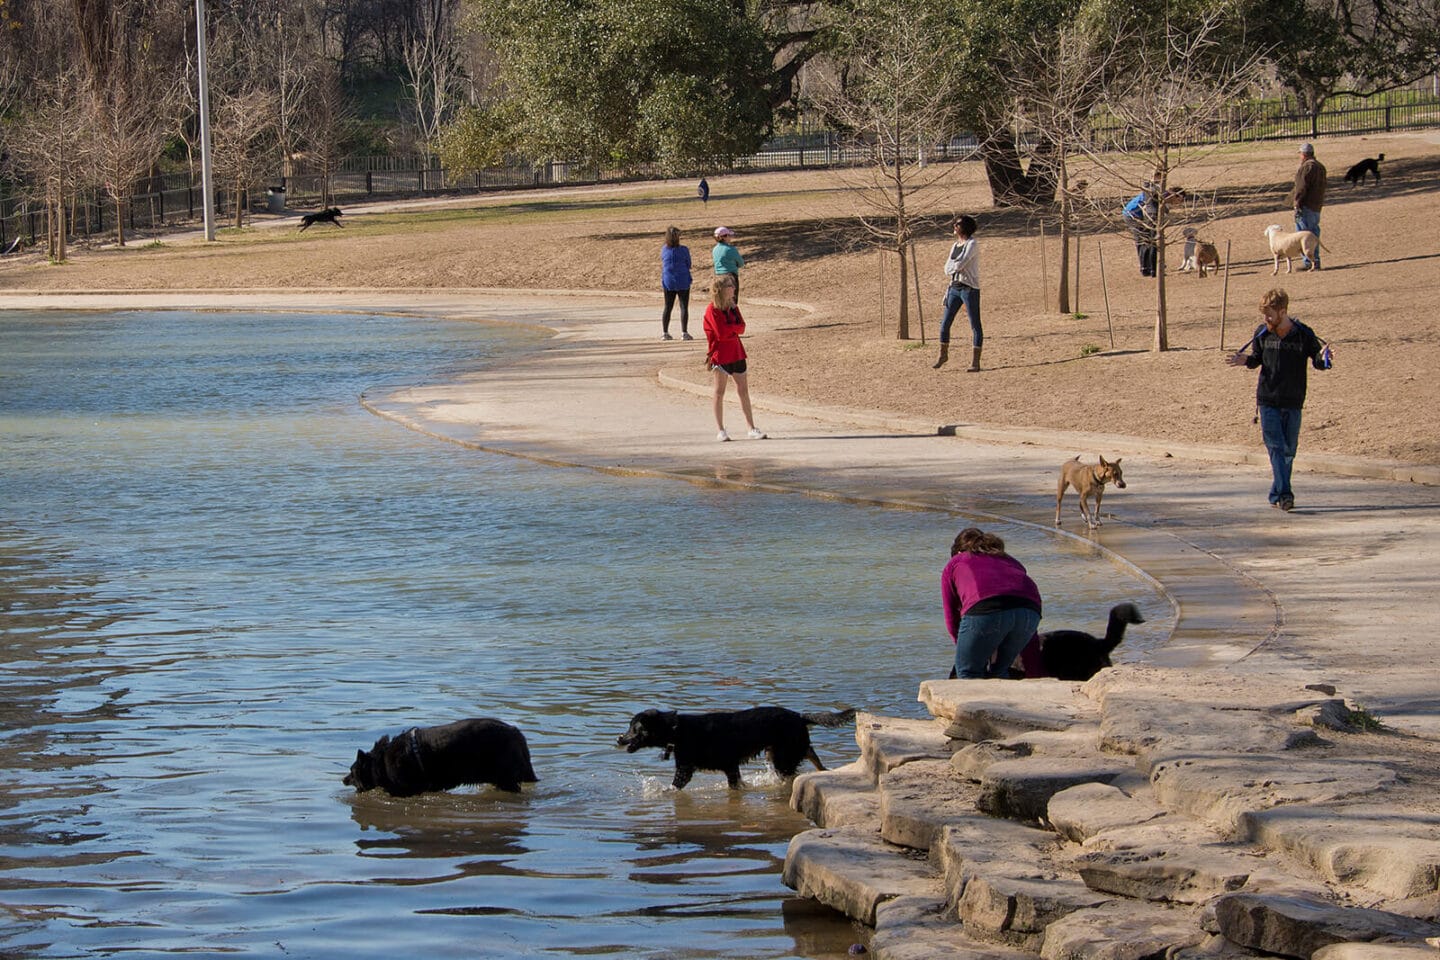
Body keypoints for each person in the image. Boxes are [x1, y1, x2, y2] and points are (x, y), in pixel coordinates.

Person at [1225, 288, 1332, 511]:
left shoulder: (1304, 334)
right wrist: (1244, 360)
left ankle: (1276, 492)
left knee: (1289, 450)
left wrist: (1324, 358)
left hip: (1293, 400)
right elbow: (1256, 360)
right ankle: (1285, 495)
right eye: (1264, 315)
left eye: (1270, 314)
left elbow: (1318, 362)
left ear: (1283, 311)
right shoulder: (1262, 332)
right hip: (1268, 399)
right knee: (1276, 447)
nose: (1266, 319)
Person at [941, 527, 1042, 680]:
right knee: (1000, 673)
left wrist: (965, 647)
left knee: (968, 673)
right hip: (1030, 612)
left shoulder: (956, 562)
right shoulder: (1011, 560)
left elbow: (951, 617)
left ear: (958, 552)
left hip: (986, 609)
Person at [703, 274, 765, 442]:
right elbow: (721, 334)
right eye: (730, 286)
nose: (734, 288)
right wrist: (733, 330)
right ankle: (721, 430)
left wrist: (732, 329)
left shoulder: (733, 307)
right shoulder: (712, 310)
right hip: (720, 355)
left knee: (743, 391)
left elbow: (742, 327)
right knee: (719, 392)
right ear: (721, 290)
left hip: (737, 352)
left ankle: (751, 428)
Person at [933, 215, 981, 371]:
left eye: (958, 224)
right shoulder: (955, 245)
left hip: (969, 288)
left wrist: (953, 267)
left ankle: (975, 362)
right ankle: (943, 355)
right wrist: (952, 268)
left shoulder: (972, 244)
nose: (954, 226)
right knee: (944, 323)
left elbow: (961, 263)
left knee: (975, 325)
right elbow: (947, 267)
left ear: (965, 227)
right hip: (954, 287)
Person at [1291, 143, 1327, 269]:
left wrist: (1297, 202)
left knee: (1304, 235)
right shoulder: (1320, 166)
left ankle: (1310, 262)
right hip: (1316, 204)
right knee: (1313, 233)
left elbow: (1301, 187)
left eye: (1300, 154)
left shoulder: (1307, 167)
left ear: (1304, 154)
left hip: (1306, 205)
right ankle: (1314, 261)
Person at [660, 226, 693, 341]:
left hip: (668, 280)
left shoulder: (664, 249)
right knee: (684, 306)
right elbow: (689, 264)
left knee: (668, 307)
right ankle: (684, 332)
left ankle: (665, 332)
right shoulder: (684, 249)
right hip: (683, 280)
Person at [1122, 187, 1158, 277]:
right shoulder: (1151, 195)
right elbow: (1147, 209)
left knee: (1146, 240)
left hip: (1139, 216)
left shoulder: (1154, 193)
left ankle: (1148, 265)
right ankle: (1145, 266)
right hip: (1131, 215)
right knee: (1142, 240)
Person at [712, 226, 744, 303]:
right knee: (732, 300)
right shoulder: (730, 249)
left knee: (721, 300)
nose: (730, 237)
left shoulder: (715, 249)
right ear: (724, 237)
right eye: (729, 235)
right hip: (730, 277)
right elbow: (741, 263)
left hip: (718, 277)